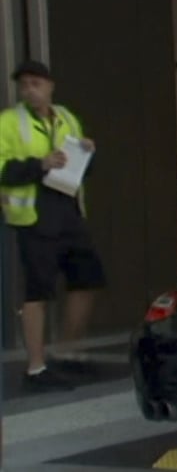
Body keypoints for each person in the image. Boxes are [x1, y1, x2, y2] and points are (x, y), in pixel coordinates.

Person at [0, 59, 105, 392]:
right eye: (24, 85)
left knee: (88, 278)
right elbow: (3, 169)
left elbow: (80, 165)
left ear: (50, 86)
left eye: (36, 83)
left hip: (68, 209)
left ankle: (67, 350)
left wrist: (87, 152)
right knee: (38, 290)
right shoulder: (9, 122)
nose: (30, 90)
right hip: (35, 215)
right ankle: (36, 367)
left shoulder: (66, 117)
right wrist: (40, 164)